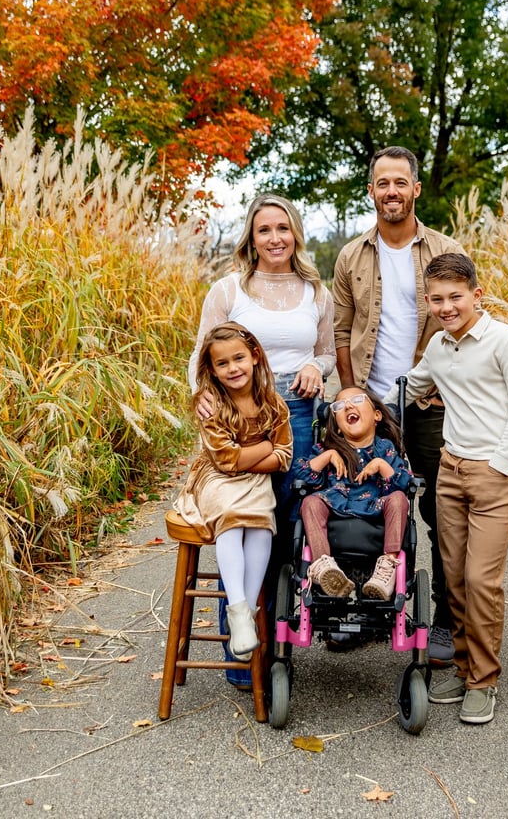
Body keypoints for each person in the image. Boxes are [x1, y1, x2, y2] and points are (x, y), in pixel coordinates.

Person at [388, 252, 508, 724]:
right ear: (428, 302)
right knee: (453, 577)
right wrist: (356, 410)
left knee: (481, 580)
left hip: (494, 473)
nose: (447, 306)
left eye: (456, 297)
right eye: (437, 299)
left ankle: (484, 679)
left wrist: (498, 463)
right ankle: (459, 663)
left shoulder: (505, 342)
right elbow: (410, 389)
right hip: (449, 471)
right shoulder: (438, 346)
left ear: (477, 294)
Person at [190, 193, 335, 679]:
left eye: (283, 228)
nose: (275, 238)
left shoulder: (317, 291)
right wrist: (200, 396)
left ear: (295, 232)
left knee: (285, 533)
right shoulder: (229, 290)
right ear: (251, 239)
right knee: (240, 522)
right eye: (264, 230)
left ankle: (278, 649)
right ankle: (240, 658)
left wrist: (316, 365)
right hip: (236, 415)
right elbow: (202, 357)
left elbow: (328, 351)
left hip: (294, 416)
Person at [332, 145, 464, 663]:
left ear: (415, 189)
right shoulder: (350, 255)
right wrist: (351, 397)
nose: (391, 192)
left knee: (440, 511)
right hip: (371, 406)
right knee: (359, 502)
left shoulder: (445, 250)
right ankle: (362, 612)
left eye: (400, 183)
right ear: (372, 191)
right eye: (382, 183)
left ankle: (446, 624)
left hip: (430, 407)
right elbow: (342, 332)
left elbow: (464, 322)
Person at [174, 322, 293, 660]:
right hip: (215, 479)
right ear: (211, 369)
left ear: (255, 356)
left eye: (238, 358)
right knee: (231, 518)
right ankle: (238, 610)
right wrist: (264, 447)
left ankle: (245, 618)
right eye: (222, 363)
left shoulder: (272, 403)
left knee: (260, 524)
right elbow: (224, 461)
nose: (233, 368)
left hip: (253, 481)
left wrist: (248, 457)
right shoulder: (212, 403)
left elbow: (283, 457)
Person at [295, 386, 412, 601]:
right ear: (337, 426)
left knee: (399, 499)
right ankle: (324, 567)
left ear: (377, 415)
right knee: (310, 502)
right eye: (339, 405)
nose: (348, 405)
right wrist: (328, 455)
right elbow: (301, 473)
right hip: (336, 508)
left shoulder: (385, 449)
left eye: (357, 400)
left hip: (376, 508)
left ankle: (387, 566)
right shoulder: (328, 448)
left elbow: (405, 483)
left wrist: (382, 466)